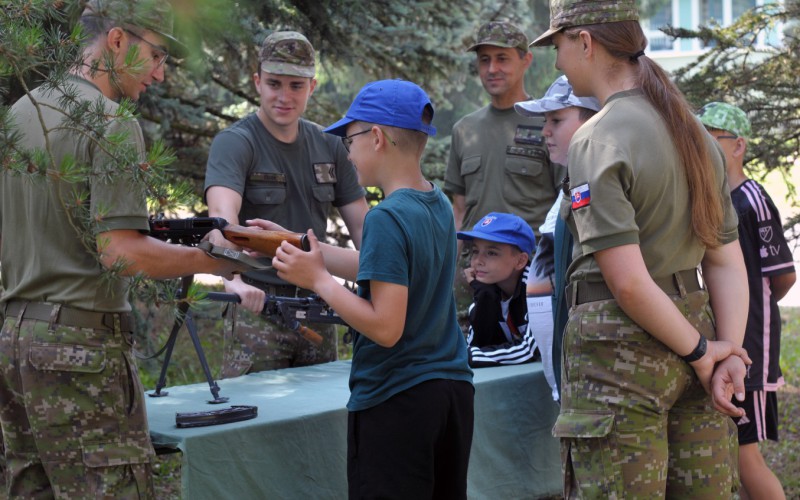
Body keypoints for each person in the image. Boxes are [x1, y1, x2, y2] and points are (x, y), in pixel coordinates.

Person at [0, 1, 248, 497]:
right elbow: (121, 254)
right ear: (116, 40)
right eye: (156, 55)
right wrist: (213, 258)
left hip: (13, 344)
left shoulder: (20, 112)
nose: (159, 74)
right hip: (81, 351)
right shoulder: (111, 121)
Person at [531, 0, 754, 496]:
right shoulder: (695, 132)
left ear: (584, 42)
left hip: (621, 354)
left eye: (559, 47)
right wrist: (726, 354)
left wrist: (703, 354)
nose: (558, 62)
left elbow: (628, 282)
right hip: (697, 327)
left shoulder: (598, 137)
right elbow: (725, 260)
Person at [268, 79, 474, 499]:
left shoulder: (386, 217)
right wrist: (297, 243)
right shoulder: (433, 203)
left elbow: (385, 327)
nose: (346, 151)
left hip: (397, 399)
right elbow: (384, 268)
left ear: (376, 137)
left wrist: (320, 282)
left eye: (349, 138)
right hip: (451, 394)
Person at [204, 31, 369, 377]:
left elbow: (365, 233)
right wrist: (232, 278)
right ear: (257, 83)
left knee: (319, 418)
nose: (284, 96)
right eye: (274, 83)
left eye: (296, 85)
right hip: (257, 305)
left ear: (312, 86)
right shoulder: (236, 142)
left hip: (318, 302)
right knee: (253, 420)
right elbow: (221, 219)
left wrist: (385, 289)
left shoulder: (331, 146)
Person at [699, 101, 795, 500]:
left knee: (745, 458)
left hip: (751, 349)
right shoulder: (711, 197)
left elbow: (784, 275)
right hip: (725, 342)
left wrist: (754, 316)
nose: (700, 145)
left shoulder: (751, 199)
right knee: (730, 453)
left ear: (737, 146)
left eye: (710, 138)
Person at [514, 75, 601, 400]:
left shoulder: (595, 187)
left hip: (594, 373)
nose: (545, 131)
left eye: (556, 120)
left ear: (593, 120)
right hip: (572, 377)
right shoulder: (569, 188)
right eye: (544, 120)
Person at [445, 21, 558, 237]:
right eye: (484, 60)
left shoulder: (548, 125)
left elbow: (565, 205)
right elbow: (459, 211)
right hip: (473, 265)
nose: (492, 69)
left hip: (530, 265)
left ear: (526, 60)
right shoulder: (464, 130)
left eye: (502, 59)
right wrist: (451, 268)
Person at [457, 212, 538, 368]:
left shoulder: (538, 288)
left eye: (491, 253)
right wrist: (484, 296)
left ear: (521, 260)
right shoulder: (489, 289)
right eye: (475, 251)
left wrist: (464, 357)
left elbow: (531, 349)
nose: (478, 261)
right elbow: (477, 344)